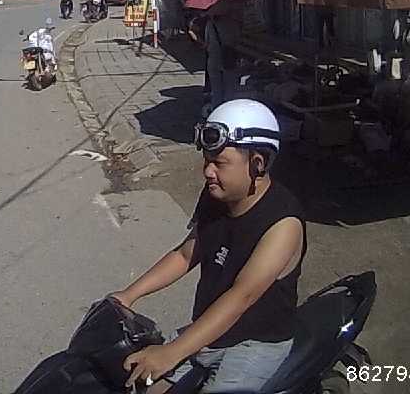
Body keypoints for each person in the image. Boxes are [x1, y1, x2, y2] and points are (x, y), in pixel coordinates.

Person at [109, 99, 304, 393]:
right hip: (209, 328)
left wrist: (172, 352)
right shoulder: (216, 196)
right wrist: (127, 295)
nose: (208, 172)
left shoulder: (283, 224)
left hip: (254, 345)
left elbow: (241, 296)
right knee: (139, 382)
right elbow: (185, 254)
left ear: (258, 164)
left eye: (220, 163)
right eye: (207, 161)